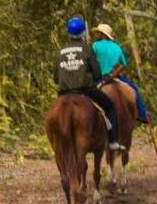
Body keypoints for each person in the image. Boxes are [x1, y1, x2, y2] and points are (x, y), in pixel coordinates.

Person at [54, 17, 125, 151]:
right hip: (85, 90)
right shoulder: (87, 48)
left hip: (64, 92)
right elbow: (97, 73)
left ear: (68, 32)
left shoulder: (60, 50)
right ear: (82, 33)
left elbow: (56, 78)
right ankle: (113, 141)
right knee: (110, 107)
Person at [91, 23, 149, 124]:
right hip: (114, 76)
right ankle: (142, 115)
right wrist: (112, 75)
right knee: (134, 89)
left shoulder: (95, 46)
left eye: (98, 33)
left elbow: (90, 62)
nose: (96, 35)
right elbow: (123, 65)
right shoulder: (117, 47)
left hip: (98, 78)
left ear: (102, 34)